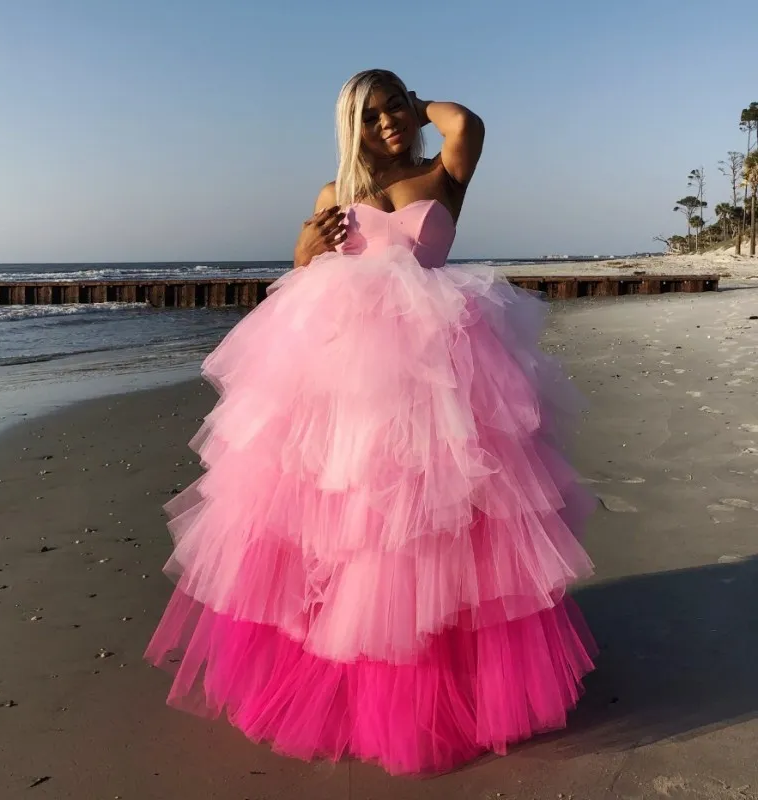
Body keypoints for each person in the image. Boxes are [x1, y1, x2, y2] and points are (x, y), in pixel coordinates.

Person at [144, 68, 598, 776]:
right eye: (370, 115)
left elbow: (465, 123)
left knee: (435, 525)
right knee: (346, 524)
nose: (386, 122)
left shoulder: (443, 171)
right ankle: (348, 675)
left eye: (394, 108)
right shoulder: (337, 194)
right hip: (347, 378)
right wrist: (304, 247)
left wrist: (413, 108)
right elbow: (303, 276)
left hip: (439, 369)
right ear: (348, 127)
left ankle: (454, 679)